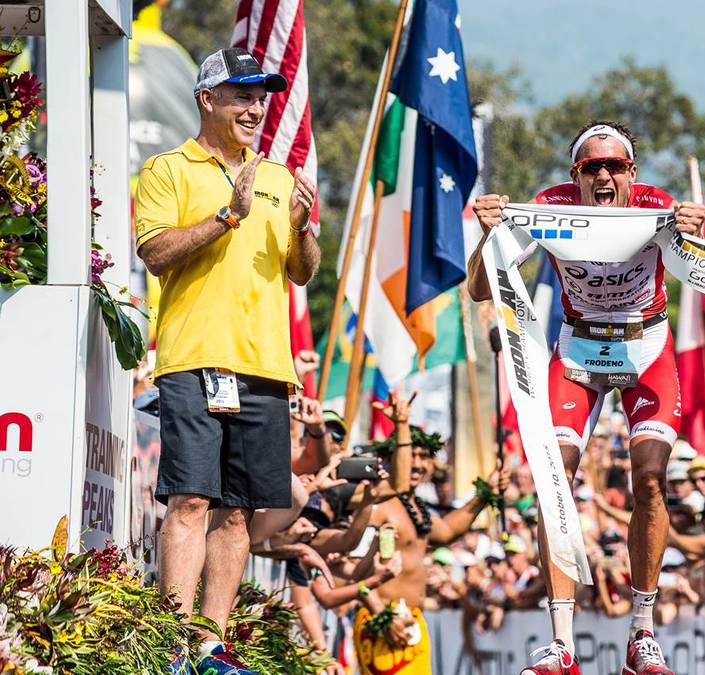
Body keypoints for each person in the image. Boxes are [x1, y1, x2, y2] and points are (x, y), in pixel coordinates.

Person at [467, 119, 705, 675]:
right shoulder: (549, 208)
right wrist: (489, 234)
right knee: (553, 478)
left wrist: (694, 230)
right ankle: (561, 644)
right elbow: (481, 288)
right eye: (590, 167)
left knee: (648, 477)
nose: (603, 176)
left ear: (632, 173)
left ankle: (642, 634)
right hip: (578, 351)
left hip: (645, 346)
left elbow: (699, 273)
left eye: (614, 166)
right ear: (575, 176)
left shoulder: (657, 204)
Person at [134, 47, 320, 675]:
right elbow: (156, 253)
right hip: (193, 358)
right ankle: (170, 645)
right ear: (206, 100)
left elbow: (301, 272)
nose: (255, 107)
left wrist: (302, 228)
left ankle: (211, 648)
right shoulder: (167, 168)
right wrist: (227, 216)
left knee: (238, 510)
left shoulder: (276, 174)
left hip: (266, 366)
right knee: (189, 499)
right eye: (241, 94)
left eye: (260, 95)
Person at [353, 394, 510, 675]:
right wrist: (381, 614)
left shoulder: (415, 506)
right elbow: (352, 570)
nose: (416, 464)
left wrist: (485, 493)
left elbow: (448, 529)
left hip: (411, 620)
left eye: (424, 456)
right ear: (392, 457)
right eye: (410, 454)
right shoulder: (376, 503)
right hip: (383, 621)